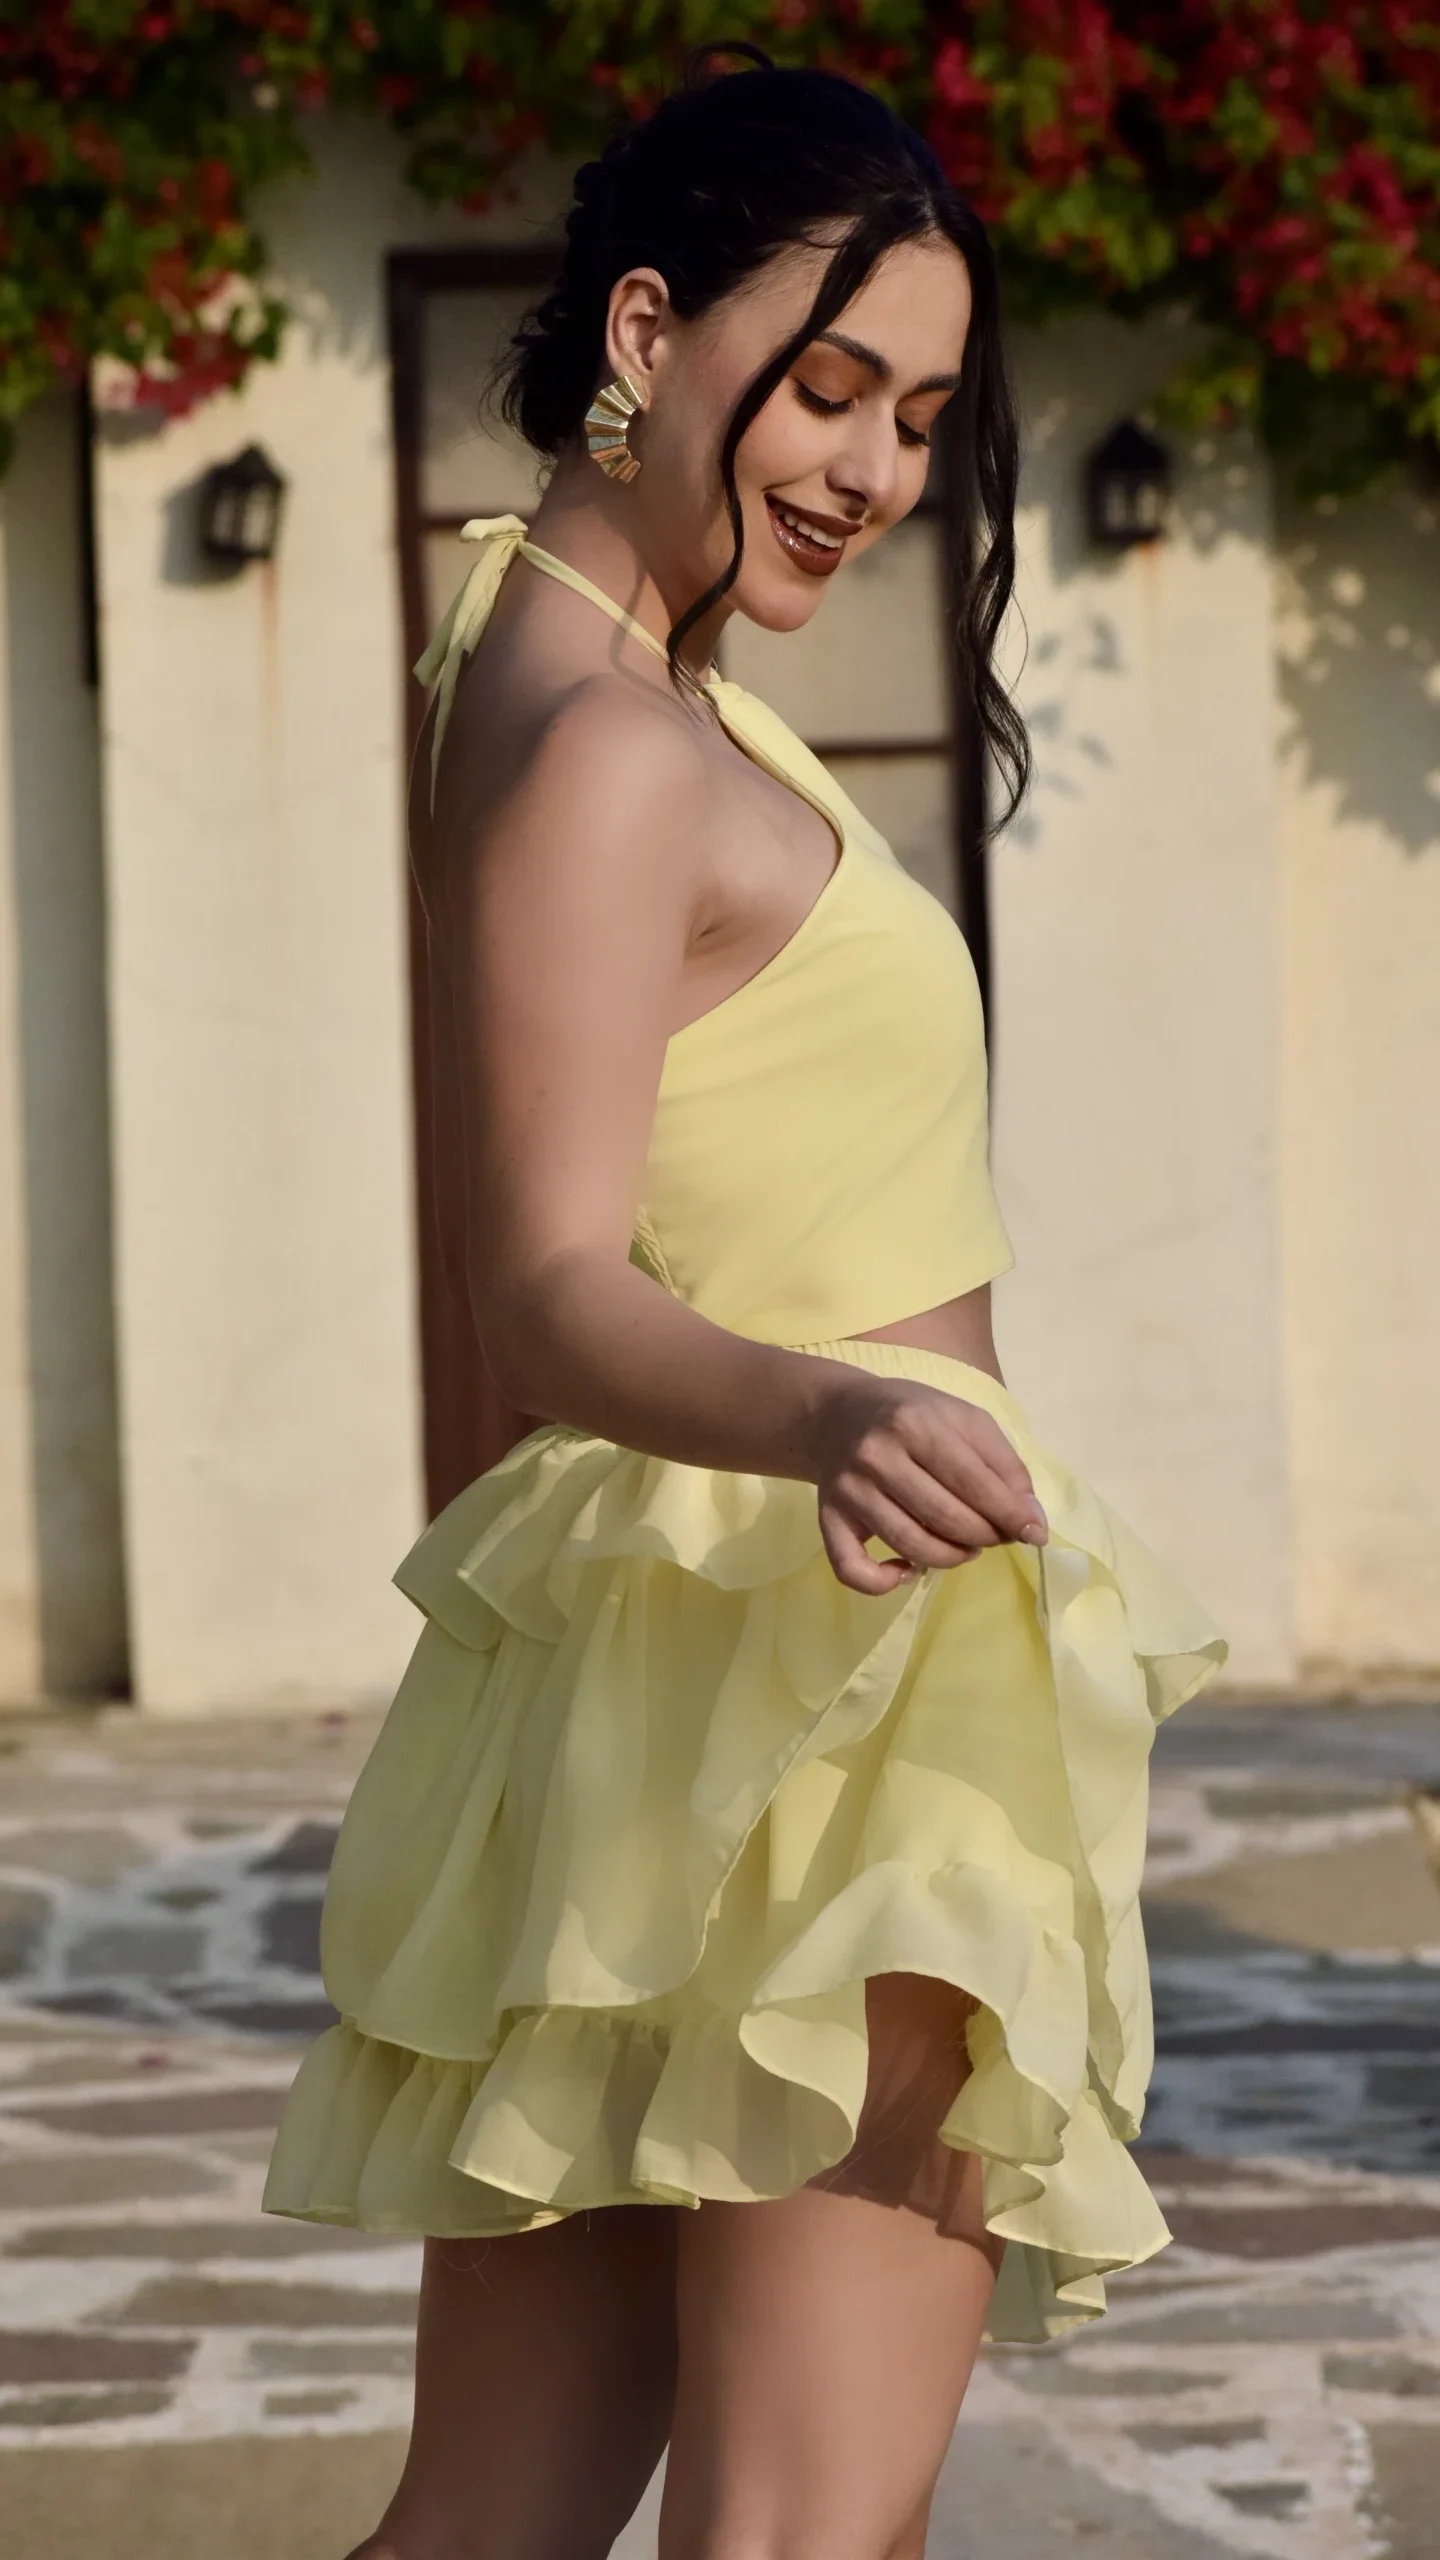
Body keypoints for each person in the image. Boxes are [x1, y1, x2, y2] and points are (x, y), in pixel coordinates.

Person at [264, 49, 1226, 2560]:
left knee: (482, 2528)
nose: (875, 467)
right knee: (804, 2534)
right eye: (827, 387)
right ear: (647, 328)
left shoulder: (562, 649)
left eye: (917, 413)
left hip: (684, 1667)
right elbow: (542, 1283)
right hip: (837, 1688)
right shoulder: (608, 733)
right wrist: (830, 1417)